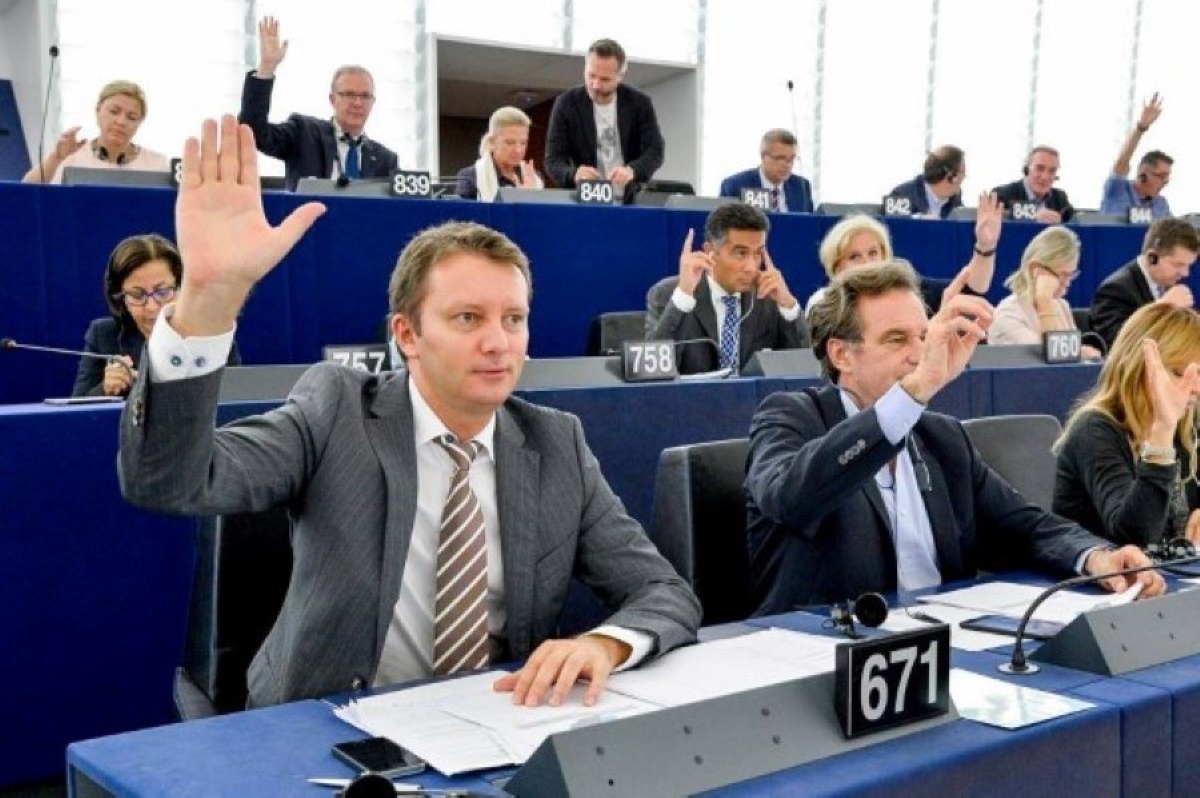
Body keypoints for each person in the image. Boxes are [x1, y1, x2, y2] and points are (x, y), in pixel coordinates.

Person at [118, 115, 700, 708]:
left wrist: (605, 643)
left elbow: (664, 592)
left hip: (491, 723)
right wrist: (207, 305)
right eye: (467, 318)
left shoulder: (556, 443)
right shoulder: (336, 410)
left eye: (514, 319)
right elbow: (168, 481)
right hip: (326, 724)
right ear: (407, 335)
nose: (498, 343)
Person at [744, 259, 1165, 613]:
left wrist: (1096, 557)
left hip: (942, 642)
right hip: (820, 648)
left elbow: (1025, 527)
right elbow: (792, 499)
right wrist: (913, 392)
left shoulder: (942, 436)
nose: (919, 354)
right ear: (841, 354)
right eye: (896, 339)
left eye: (923, 337)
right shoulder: (789, 416)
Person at [1054, 304, 1200, 549]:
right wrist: (1162, 432)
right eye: (1179, 373)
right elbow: (1135, 538)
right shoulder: (1094, 429)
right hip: (1106, 571)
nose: (1195, 388)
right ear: (1138, 368)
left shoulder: (1189, 421)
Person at [239, 16, 400, 191]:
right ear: (332, 99)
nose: (357, 103)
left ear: (373, 102)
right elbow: (253, 131)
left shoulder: (386, 160)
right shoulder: (304, 133)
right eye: (349, 95)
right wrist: (267, 67)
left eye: (365, 96)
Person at [644, 203, 806, 375]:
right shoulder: (669, 294)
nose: (751, 267)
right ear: (710, 252)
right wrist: (683, 297)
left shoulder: (767, 296)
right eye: (741, 253)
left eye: (758, 253)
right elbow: (653, 372)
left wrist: (788, 306)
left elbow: (805, 369)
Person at [72, 234, 240, 397]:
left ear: (182, 288)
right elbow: (76, 410)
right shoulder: (104, 335)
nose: (152, 307)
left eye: (162, 292)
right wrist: (105, 390)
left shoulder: (212, 334)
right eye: (137, 295)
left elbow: (237, 403)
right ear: (121, 299)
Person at [804, 192, 1002, 314]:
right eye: (855, 257)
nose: (867, 262)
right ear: (837, 267)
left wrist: (985, 246)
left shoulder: (908, 289)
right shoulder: (824, 304)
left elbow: (971, 288)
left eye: (873, 253)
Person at [543, 38, 664, 201]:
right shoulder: (566, 103)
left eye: (605, 79)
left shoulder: (639, 103)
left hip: (631, 198)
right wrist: (573, 174)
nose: (595, 85)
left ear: (620, 76)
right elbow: (553, 159)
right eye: (591, 75)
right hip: (587, 199)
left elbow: (655, 150)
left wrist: (632, 170)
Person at [22, 80, 170, 185]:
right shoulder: (71, 157)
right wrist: (56, 158)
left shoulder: (157, 164)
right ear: (98, 110)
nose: (121, 122)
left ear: (140, 122)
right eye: (114, 111)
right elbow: (26, 193)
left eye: (131, 117)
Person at [989, 225, 1099, 358]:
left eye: (1071, 275)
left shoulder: (1061, 305)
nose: (1067, 283)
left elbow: (1070, 361)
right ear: (1035, 269)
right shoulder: (1008, 315)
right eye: (1062, 275)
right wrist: (1044, 302)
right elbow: (1050, 361)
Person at [1090, 217, 1197, 348]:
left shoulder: (1167, 285)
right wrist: (1161, 308)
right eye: (1178, 265)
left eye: (1188, 265)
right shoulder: (1115, 290)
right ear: (1152, 258)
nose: (1185, 273)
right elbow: (1119, 344)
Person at [1100, 93, 1173, 219]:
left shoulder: (1161, 205)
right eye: (1161, 177)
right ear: (1143, 174)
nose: (1164, 183)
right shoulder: (1119, 190)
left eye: (1166, 179)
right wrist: (1141, 128)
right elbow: (1121, 163)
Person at [455, 106, 543, 201]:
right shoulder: (470, 177)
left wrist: (531, 197)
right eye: (510, 143)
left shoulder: (534, 178)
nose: (518, 150)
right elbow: (461, 211)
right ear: (492, 142)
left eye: (523, 143)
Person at [718, 129, 814, 213]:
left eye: (791, 159)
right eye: (780, 158)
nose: (787, 165)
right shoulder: (735, 185)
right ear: (763, 157)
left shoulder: (801, 186)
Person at [991, 146, 1075, 223]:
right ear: (1027, 169)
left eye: (1052, 171)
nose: (1045, 177)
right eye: (1039, 168)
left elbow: (1071, 222)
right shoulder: (1002, 195)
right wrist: (1033, 217)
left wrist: (1060, 221)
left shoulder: (1060, 198)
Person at [885, 146, 966, 219]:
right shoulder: (900, 194)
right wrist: (918, 220)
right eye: (962, 173)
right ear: (950, 175)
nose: (964, 177)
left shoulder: (955, 200)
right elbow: (890, 226)